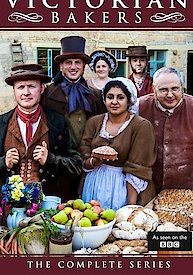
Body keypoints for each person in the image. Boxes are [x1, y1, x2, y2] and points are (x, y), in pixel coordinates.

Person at [0, 64, 83, 200]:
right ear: (14, 90)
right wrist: (4, 162)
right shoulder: (2, 123)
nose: (26, 92)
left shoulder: (58, 122)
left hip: (47, 204)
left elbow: (76, 166)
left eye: (32, 86)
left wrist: (51, 159)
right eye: (21, 87)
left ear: (42, 89)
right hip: (8, 207)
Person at [80, 77, 157, 210]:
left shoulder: (141, 126)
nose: (114, 102)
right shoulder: (94, 122)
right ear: (104, 100)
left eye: (120, 97)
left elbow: (137, 168)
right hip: (95, 182)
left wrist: (130, 208)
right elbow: (84, 150)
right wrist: (93, 162)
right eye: (110, 97)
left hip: (125, 187)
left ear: (129, 100)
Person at [139, 67, 193, 194]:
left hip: (187, 190)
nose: (170, 95)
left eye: (175, 89)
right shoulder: (139, 106)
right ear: (154, 89)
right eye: (163, 90)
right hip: (149, 189)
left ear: (182, 88)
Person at [41, 36, 103, 148]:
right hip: (59, 157)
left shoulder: (95, 95)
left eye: (77, 62)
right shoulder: (47, 94)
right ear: (61, 66)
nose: (73, 67)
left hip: (87, 156)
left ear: (83, 66)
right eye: (68, 62)